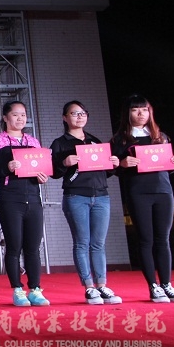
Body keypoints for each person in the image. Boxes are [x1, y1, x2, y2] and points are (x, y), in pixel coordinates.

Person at [110, 94, 174, 303]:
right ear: (127, 113)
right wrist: (122, 164)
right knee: (146, 239)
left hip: (163, 191)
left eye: (144, 109)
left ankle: (167, 285)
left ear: (150, 112)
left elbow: (166, 168)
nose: (140, 113)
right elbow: (112, 168)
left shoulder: (161, 137)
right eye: (135, 109)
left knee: (163, 239)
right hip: (138, 193)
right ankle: (153, 286)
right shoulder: (120, 140)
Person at [50, 101, 123, 305]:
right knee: (82, 242)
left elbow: (104, 171)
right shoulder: (60, 143)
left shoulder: (94, 141)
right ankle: (89, 287)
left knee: (98, 243)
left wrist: (113, 165)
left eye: (83, 113)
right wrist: (64, 163)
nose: (79, 116)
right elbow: (53, 172)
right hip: (76, 196)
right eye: (74, 113)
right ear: (65, 118)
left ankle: (102, 285)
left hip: (101, 196)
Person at [0, 100, 50, 307]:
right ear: (5, 118)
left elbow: (41, 167)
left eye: (23, 114)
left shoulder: (33, 141)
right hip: (9, 198)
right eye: (15, 114)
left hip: (33, 197)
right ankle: (17, 290)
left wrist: (42, 177)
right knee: (14, 245)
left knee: (33, 247)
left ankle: (35, 289)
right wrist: (7, 167)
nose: (20, 118)